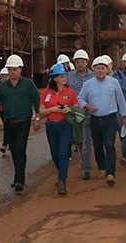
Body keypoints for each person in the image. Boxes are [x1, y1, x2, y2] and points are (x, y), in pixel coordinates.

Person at [0, 54, 40, 192]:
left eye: (15, 69)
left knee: (20, 149)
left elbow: (36, 100)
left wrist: (37, 118)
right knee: (14, 151)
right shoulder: (3, 87)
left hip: (23, 122)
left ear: (20, 69)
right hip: (9, 123)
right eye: (10, 70)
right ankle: (17, 177)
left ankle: (19, 179)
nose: (12, 72)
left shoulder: (28, 84)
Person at [78, 56, 126, 186]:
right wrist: (87, 106)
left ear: (107, 69)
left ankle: (111, 173)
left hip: (110, 119)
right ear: (94, 70)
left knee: (109, 145)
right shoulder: (88, 84)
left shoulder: (114, 82)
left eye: (103, 68)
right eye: (98, 68)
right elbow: (80, 98)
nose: (100, 70)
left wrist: (124, 115)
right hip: (94, 119)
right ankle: (102, 168)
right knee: (98, 145)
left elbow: (121, 99)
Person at [38, 63, 77, 195]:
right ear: (55, 78)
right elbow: (40, 110)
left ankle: (62, 181)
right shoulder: (46, 93)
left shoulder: (70, 92)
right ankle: (61, 173)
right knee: (55, 154)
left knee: (63, 153)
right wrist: (51, 110)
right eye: (62, 76)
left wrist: (69, 109)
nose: (65, 78)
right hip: (50, 125)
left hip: (65, 125)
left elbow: (77, 109)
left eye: (65, 75)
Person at [68, 49, 95, 180]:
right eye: (77, 61)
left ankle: (86, 169)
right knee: (78, 140)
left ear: (87, 62)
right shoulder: (69, 77)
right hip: (73, 113)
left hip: (88, 113)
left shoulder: (93, 76)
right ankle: (84, 162)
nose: (80, 64)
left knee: (86, 141)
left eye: (82, 61)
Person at [0, 67, 10, 154]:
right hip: (2, 110)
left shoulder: (12, 86)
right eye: (2, 76)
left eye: (6, 76)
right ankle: (9, 143)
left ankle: (5, 144)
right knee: (7, 126)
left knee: (8, 127)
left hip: (12, 110)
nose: (4, 78)